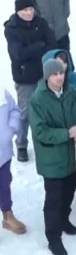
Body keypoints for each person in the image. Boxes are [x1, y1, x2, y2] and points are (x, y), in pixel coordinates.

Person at [29, 57, 76, 255]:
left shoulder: (70, 91)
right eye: (54, 74)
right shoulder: (38, 99)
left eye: (61, 72)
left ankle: (64, 219)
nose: (59, 77)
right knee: (53, 199)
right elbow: (40, 132)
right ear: (47, 76)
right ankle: (53, 238)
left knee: (69, 190)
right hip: (52, 159)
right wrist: (66, 134)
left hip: (71, 155)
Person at [5, 0, 55, 163]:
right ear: (18, 11)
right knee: (24, 113)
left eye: (30, 9)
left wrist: (36, 49)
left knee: (45, 109)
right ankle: (21, 144)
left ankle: (45, 141)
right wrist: (40, 46)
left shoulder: (41, 23)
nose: (28, 13)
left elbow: (52, 43)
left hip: (42, 73)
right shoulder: (11, 29)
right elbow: (18, 54)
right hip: (24, 76)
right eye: (25, 10)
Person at [0, 87, 24, 234]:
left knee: (4, 183)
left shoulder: (2, 94)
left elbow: (15, 110)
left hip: (3, 153)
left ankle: (7, 215)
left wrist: (11, 129)